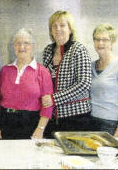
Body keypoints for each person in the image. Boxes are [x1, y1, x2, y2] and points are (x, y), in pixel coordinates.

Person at [0, 28, 53, 140]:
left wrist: (40, 130)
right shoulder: (5, 70)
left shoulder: (42, 72)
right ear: (13, 47)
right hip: (5, 122)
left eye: (26, 43)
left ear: (33, 46)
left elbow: (48, 106)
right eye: (18, 44)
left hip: (30, 124)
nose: (22, 47)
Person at [41, 10, 92, 138]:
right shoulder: (48, 50)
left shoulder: (79, 49)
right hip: (52, 118)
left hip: (76, 118)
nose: (58, 29)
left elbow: (84, 84)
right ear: (51, 30)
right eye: (54, 26)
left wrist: (54, 99)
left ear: (70, 29)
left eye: (62, 25)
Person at [89, 24, 118, 137]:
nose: (100, 43)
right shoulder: (91, 66)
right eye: (97, 39)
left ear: (113, 42)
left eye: (105, 40)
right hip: (90, 122)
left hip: (111, 125)